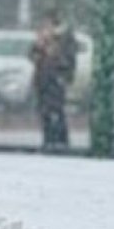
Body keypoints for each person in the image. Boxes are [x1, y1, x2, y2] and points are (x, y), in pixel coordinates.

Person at [29, 10, 77, 151]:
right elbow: (32, 54)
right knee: (44, 111)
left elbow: (68, 59)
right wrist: (39, 47)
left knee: (56, 110)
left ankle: (60, 140)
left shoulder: (64, 38)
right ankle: (48, 138)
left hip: (56, 79)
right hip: (43, 78)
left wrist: (55, 55)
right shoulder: (43, 37)